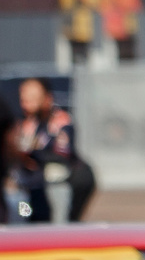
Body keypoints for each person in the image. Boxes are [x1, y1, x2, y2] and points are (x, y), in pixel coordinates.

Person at [15, 78, 94, 222]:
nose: (26, 104)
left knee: (55, 175)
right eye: (23, 99)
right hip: (30, 186)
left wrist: (34, 155)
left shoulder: (61, 120)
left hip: (60, 184)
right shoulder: (26, 124)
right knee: (22, 209)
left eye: (32, 99)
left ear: (47, 99)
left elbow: (61, 154)